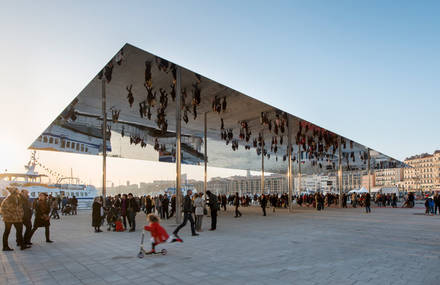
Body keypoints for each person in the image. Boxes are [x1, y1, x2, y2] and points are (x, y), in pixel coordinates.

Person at [0, 187, 29, 251]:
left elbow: (20, 208)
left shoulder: (18, 198)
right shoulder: (8, 199)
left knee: (19, 231)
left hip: (17, 218)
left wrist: (21, 215)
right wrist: (9, 215)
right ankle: (5, 246)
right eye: (17, 190)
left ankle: (22, 245)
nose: (18, 191)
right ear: (14, 191)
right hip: (9, 219)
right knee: (7, 232)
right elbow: (2, 209)